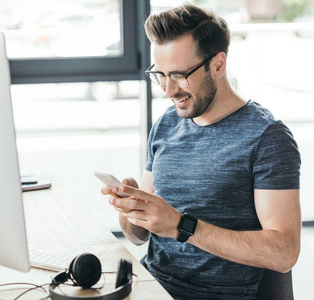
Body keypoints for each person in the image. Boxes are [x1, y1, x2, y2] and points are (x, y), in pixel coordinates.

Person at [101, 3, 301, 299]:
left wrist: (180, 225)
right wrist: (130, 211)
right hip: (152, 286)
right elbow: (139, 236)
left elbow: (284, 254)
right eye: (160, 75)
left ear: (218, 65)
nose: (168, 90)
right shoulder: (167, 124)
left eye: (180, 75)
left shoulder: (267, 137)